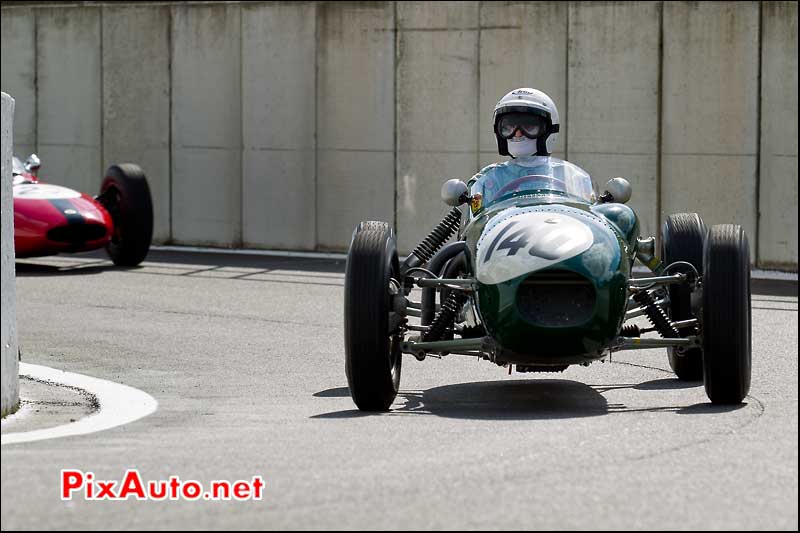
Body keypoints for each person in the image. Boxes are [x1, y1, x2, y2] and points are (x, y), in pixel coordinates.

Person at [468, 88, 594, 211]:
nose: (517, 134)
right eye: (509, 127)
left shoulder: (572, 176)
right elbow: (478, 223)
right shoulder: (490, 178)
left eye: (529, 126)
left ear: (549, 130)